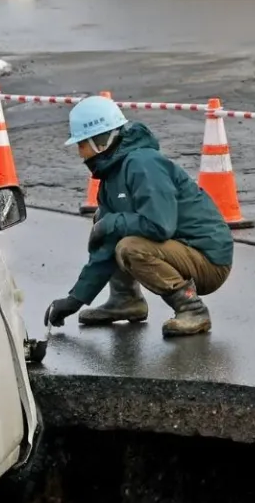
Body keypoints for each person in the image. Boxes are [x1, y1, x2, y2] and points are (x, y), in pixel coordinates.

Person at [44, 95, 235, 338]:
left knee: (129, 246)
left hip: (208, 260)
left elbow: (160, 226)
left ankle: (192, 309)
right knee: (109, 225)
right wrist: (74, 300)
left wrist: (111, 223)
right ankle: (125, 300)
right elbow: (105, 248)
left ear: (100, 142)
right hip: (181, 250)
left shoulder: (143, 164)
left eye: (81, 144)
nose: (80, 153)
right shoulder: (111, 177)